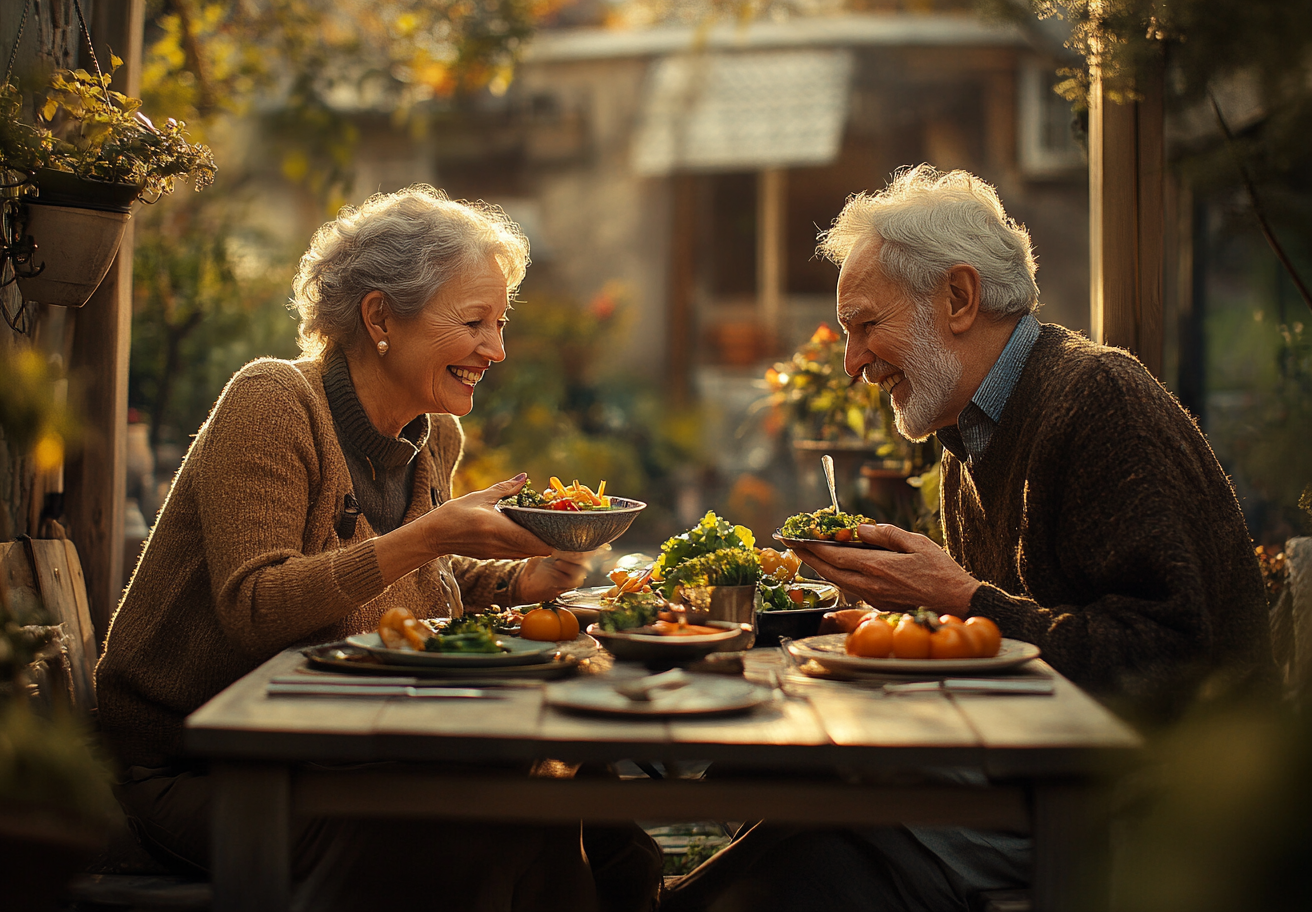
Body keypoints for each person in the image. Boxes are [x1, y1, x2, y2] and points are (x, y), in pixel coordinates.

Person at [662, 165, 1274, 912]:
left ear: (958, 297)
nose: (853, 363)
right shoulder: (969, 435)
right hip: (1031, 767)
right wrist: (889, 610)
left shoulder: (1098, 399)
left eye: (864, 326)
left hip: (1147, 808)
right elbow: (1004, 640)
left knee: (813, 853)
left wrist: (962, 600)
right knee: (777, 783)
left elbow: (1169, 662)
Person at [96, 186, 660, 912]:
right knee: (493, 825)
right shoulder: (272, 402)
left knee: (587, 800)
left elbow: (423, 572)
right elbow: (257, 604)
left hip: (344, 751)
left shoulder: (435, 436)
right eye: (474, 323)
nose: (497, 349)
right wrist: (428, 534)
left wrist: (527, 579)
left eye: (500, 322)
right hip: (202, 769)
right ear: (380, 317)